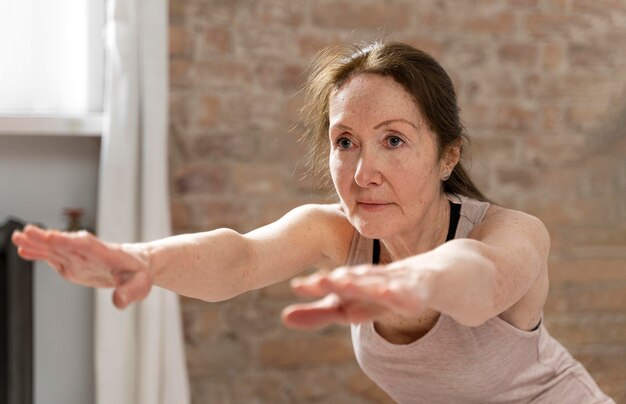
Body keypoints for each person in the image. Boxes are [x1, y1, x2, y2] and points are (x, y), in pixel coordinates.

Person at [12, 41, 613, 403]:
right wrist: (141, 260)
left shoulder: (511, 231)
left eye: (394, 141)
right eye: (345, 141)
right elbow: (240, 258)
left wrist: (415, 282)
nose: (363, 171)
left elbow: (482, 279)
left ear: (447, 155)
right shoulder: (340, 234)